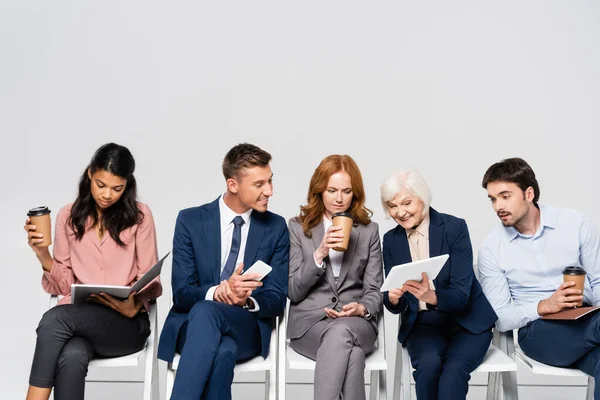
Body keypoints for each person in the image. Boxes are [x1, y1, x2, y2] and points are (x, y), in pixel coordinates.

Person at [24, 143, 162, 400]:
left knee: (55, 319)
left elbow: (150, 276)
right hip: (80, 323)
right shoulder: (68, 216)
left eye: (117, 188)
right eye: (101, 184)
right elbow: (63, 286)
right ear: (90, 174)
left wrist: (137, 303)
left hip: (125, 325)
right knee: (72, 356)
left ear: (127, 185)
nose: (107, 194)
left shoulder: (140, 216)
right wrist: (42, 253)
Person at [157, 143, 289, 400]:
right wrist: (218, 292)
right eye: (259, 184)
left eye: (270, 181)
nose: (269, 191)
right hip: (192, 326)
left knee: (210, 317)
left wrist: (246, 299)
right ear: (233, 185)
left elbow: (276, 298)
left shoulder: (275, 227)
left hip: (245, 326)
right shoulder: (190, 220)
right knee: (222, 351)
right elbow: (182, 293)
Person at [478, 157, 600, 398]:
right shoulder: (492, 248)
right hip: (539, 331)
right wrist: (544, 306)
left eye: (505, 196)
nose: (497, 206)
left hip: (587, 317)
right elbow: (500, 317)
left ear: (529, 193)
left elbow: (597, 281)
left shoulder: (575, 224)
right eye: (493, 199)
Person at [380, 169, 497, 400]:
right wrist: (393, 298)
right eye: (392, 206)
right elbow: (395, 304)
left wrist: (431, 296)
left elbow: (462, 294)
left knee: (453, 374)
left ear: (422, 198)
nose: (400, 212)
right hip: (424, 326)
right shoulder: (391, 240)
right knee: (429, 368)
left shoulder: (454, 228)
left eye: (406, 203)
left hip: (468, 324)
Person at [287, 155, 383, 400]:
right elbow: (293, 290)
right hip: (310, 326)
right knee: (352, 354)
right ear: (319, 190)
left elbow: (375, 290)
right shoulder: (299, 228)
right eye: (331, 190)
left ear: (355, 193)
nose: (339, 198)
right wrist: (319, 253)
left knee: (341, 332)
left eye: (346, 191)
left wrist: (361, 307)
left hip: (355, 323)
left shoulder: (369, 231)